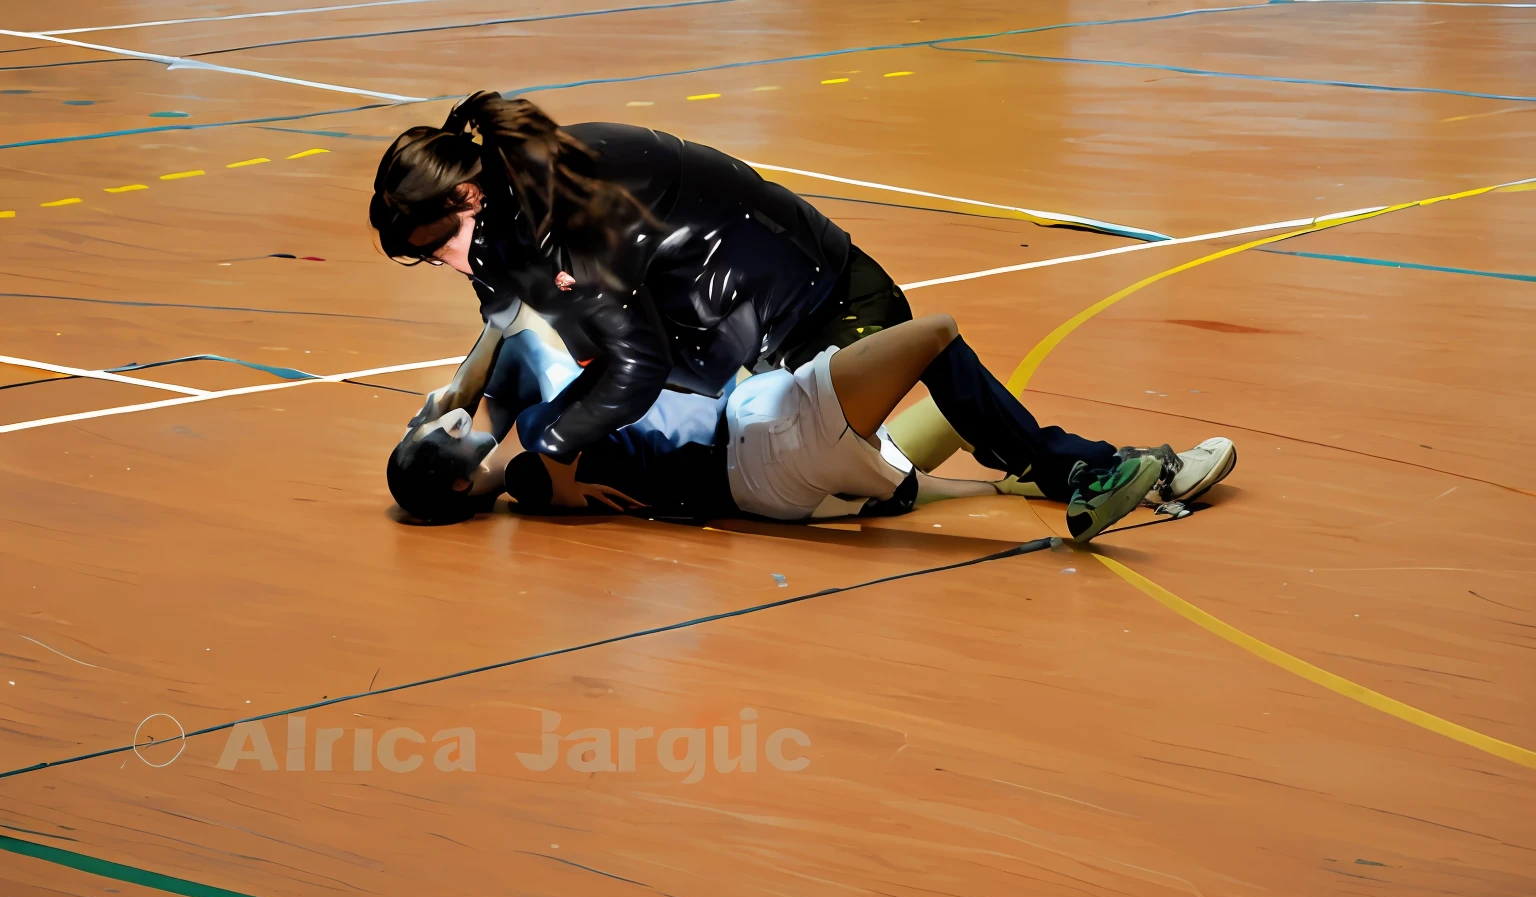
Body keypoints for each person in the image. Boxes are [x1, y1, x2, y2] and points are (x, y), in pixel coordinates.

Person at [369, 90, 1218, 513]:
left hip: (805, 297)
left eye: (434, 246)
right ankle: (1048, 463)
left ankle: (1060, 464)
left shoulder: (558, 215)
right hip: (747, 356)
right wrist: (466, 398)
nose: (446, 267)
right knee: (882, 437)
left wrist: (507, 426)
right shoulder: (514, 202)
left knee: (907, 387)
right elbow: (510, 318)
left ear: (468, 200)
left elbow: (634, 362)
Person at [387, 313, 1237, 541]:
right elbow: (518, 325)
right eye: (446, 434)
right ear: (463, 481)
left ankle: (1112, 473)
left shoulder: (530, 439)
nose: (457, 416)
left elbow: (509, 338)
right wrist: (459, 387)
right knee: (935, 338)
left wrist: (461, 397)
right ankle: (1089, 474)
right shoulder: (537, 463)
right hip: (769, 443)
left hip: (779, 468)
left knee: (959, 416)